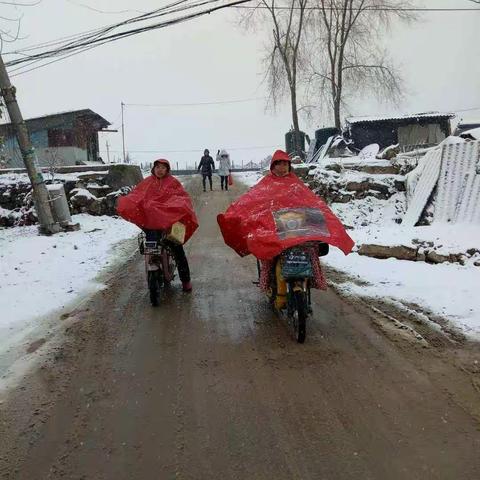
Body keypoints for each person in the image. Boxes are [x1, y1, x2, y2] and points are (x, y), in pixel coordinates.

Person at [117, 159, 198, 292]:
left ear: (167, 170)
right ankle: (154, 264)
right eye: (157, 167)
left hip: (169, 226)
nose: (160, 170)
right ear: (153, 169)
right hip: (151, 225)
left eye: (163, 167)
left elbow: (182, 198)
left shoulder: (173, 183)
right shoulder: (147, 183)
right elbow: (137, 196)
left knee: (178, 250)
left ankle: (186, 281)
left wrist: (171, 208)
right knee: (151, 244)